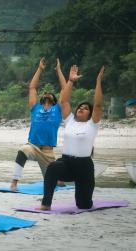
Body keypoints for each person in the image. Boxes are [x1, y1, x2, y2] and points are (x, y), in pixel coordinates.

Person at [40, 65, 104, 210]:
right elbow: (64, 101)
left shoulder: (92, 125)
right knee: (52, 167)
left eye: (86, 108)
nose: (81, 108)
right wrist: (70, 81)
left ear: (90, 113)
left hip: (84, 167)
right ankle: (46, 204)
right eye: (80, 107)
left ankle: (86, 199)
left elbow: (98, 104)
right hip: (67, 163)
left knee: (83, 206)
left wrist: (98, 82)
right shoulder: (69, 120)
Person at [10, 58, 66, 191]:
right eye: (44, 93)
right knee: (22, 151)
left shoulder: (58, 110)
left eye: (49, 93)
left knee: (56, 183)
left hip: (48, 152)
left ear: (54, 100)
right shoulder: (35, 108)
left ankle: (59, 177)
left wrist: (58, 70)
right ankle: (14, 182)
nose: (46, 93)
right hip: (33, 147)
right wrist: (40, 69)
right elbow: (32, 87)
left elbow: (65, 88)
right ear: (41, 100)